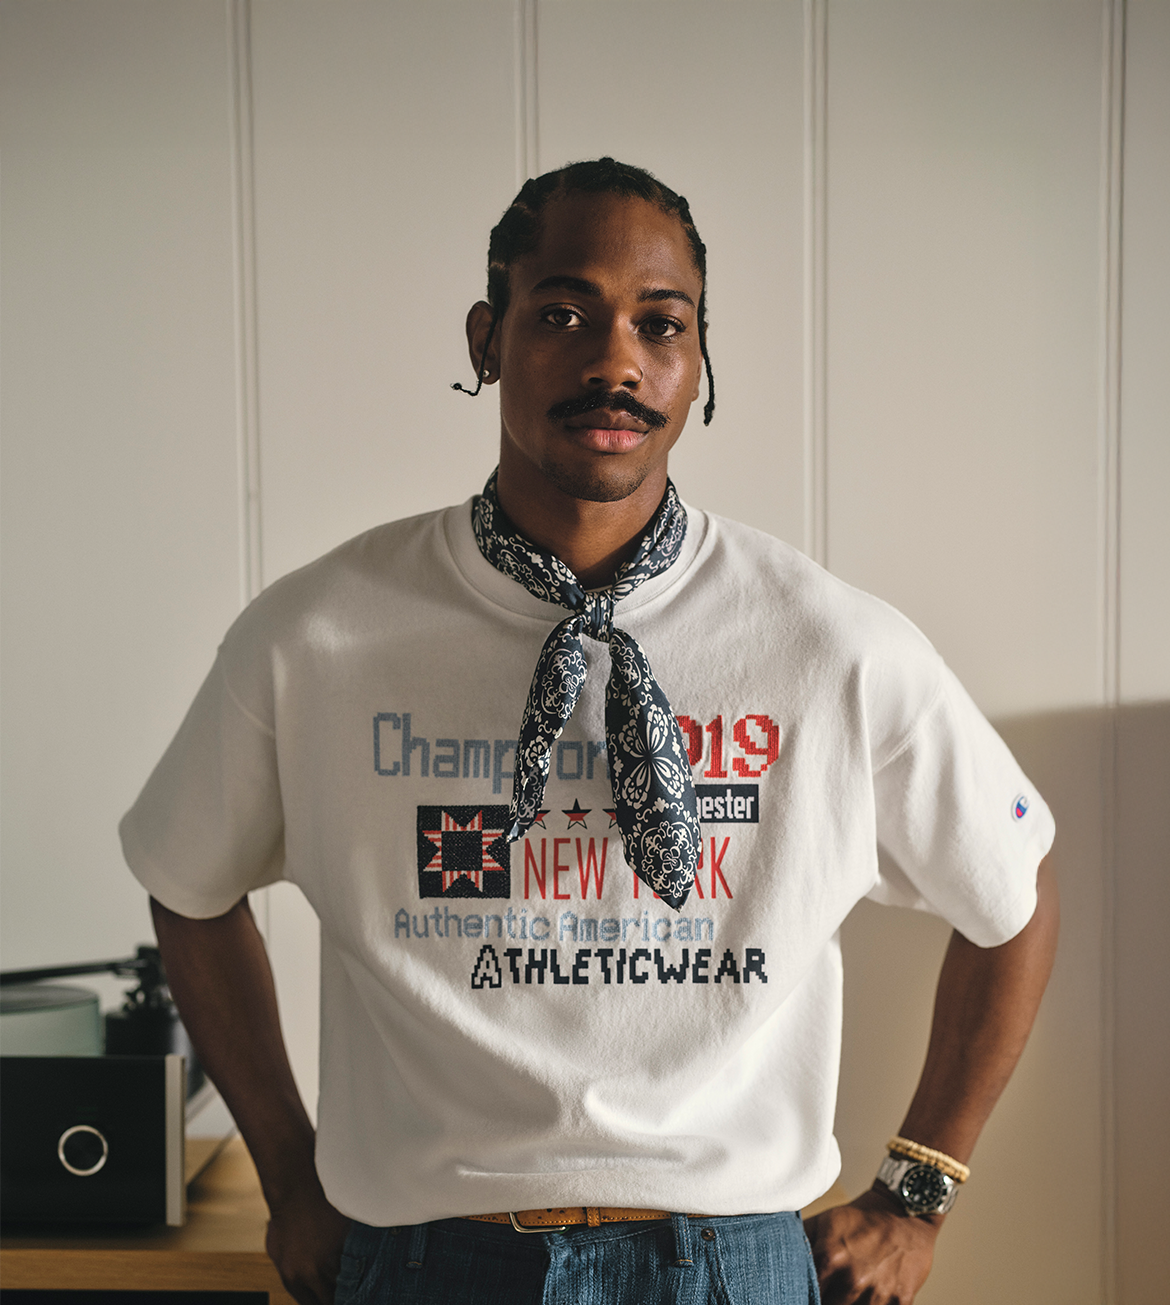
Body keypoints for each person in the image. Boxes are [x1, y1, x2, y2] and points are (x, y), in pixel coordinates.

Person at [122, 158, 1058, 1305]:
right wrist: (287, 1172)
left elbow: (1014, 893)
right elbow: (187, 881)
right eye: (563, 315)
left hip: (728, 1265)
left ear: (697, 363)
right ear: (487, 340)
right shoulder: (315, 637)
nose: (616, 363)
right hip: (424, 1265)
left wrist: (917, 1192)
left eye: (661, 325)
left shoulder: (831, 646)